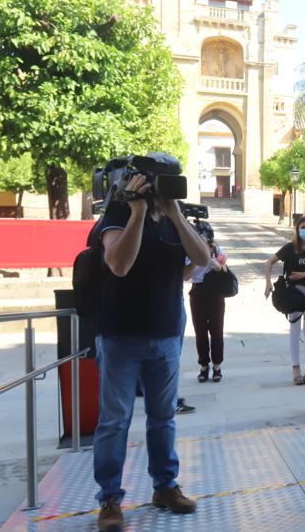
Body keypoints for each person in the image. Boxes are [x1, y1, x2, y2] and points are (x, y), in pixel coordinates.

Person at [93, 166, 212, 531]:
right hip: (120, 336)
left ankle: (165, 487)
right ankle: (110, 499)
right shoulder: (117, 215)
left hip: (165, 335)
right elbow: (119, 264)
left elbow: (201, 261)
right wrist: (139, 213)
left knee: (163, 418)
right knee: (115, 422)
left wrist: (175, 214)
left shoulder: (175, 221)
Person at [265, 216, 305, 385]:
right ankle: (295, 369)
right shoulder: (290, 248)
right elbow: (270, 261)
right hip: (293, 294)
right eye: (303, 227)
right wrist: (268, 282)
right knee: (294, 329)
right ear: (297, 230)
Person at [184, 223, 228, 383]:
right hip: (198, 291)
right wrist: (198, 259)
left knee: (217, 330)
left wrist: (212, 261)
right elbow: (186, 275)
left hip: (215, 293)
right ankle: (203, 366)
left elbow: (222, 268)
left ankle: (217, 366)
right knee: (200, 331)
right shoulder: (189, 251)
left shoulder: (217, 250)